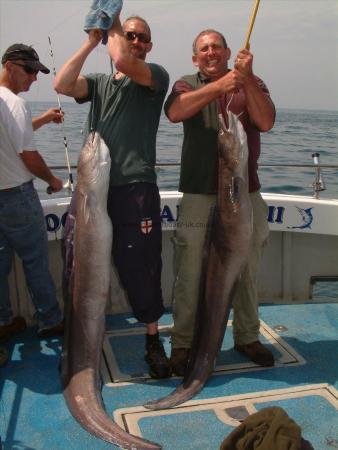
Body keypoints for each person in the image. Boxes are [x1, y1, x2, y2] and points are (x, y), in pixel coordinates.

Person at [54, 14, 171, 379]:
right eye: (129, 34)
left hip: (133, 189)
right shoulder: (100, 84)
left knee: (142, 268)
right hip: (91, 190)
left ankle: (152, 339)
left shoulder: (155, 77)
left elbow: (123, 60)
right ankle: (78, 340)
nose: (135, 40)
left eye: (142, 37)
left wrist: (115, 18)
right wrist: (92, 40)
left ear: (149, 46)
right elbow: (62, 83)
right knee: (76, 266)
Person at [164, 29, 276, 376]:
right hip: (199, 194)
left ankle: (246, 336)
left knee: (246, 269)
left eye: (216, 47)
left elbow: (266, 121)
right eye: (203, 49)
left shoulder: (251, 83)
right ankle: (183, 343)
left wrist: (247, 79)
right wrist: (218, 86)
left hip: (246, 193)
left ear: (229, 52)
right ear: (195, 58)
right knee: (190, 271)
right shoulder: (185, 83)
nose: (211, 52)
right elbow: (175, 112)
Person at [0, 43, 65, 342]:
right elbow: (27, 156)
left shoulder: (8, 106)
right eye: (29, 70)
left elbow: (12, 137)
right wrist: (53, 180)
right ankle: (50, 320)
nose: (34, 78)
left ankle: (2, 322)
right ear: (10, 65)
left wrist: (43, 119)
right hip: (17, 198)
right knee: (35, 261)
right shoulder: (15, 103)